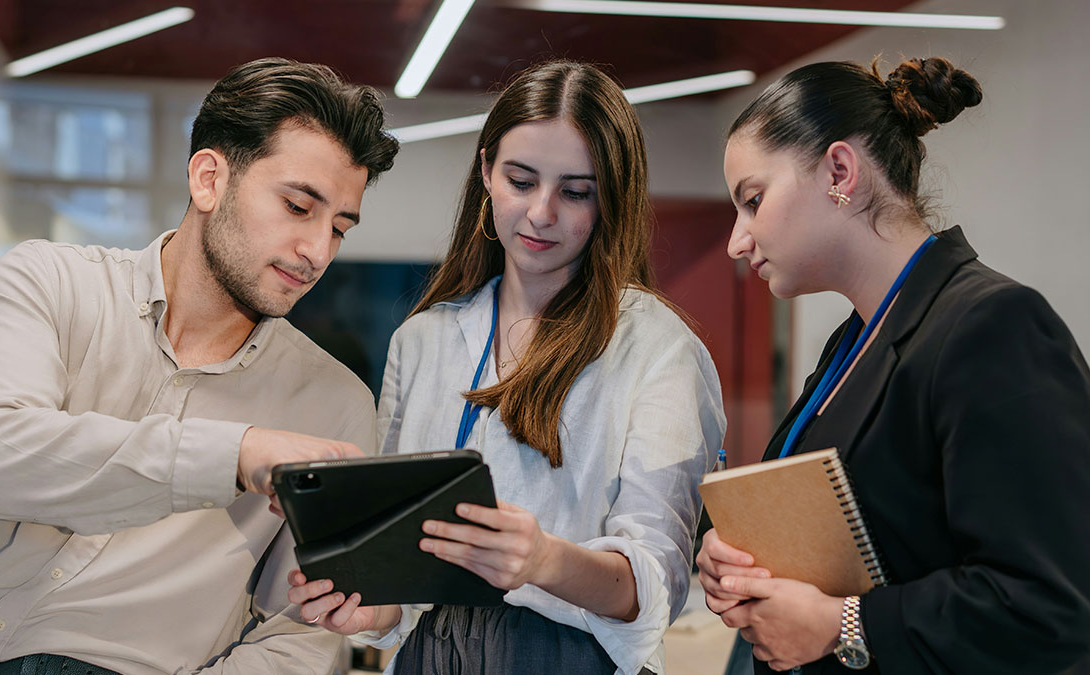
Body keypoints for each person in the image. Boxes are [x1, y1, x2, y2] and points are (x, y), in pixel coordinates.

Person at [0, 58, 399, 674]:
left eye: (340, 227)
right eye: (298, 207)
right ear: (209, 179)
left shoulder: (335, 403)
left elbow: (299, 634)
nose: (318, 251)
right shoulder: (51, 282)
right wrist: (234, 456)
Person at [289, 60, 726, 675]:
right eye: (521, 180)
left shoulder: (655, 346)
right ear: (488, 172)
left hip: (568, 657)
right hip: (429, 655)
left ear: (611, 201)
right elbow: (398, 568)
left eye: (576, 192)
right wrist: (374, 612)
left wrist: (546, 560)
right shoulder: (425, 339)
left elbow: (657, 586)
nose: (542, 213)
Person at [698, 56, 1090, 674]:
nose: (737, 241)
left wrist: (843, 624)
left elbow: (1052, 605)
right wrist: (742, 556)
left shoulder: (993, 326)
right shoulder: (854, 341)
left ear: (840, 170)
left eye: (753, 200)